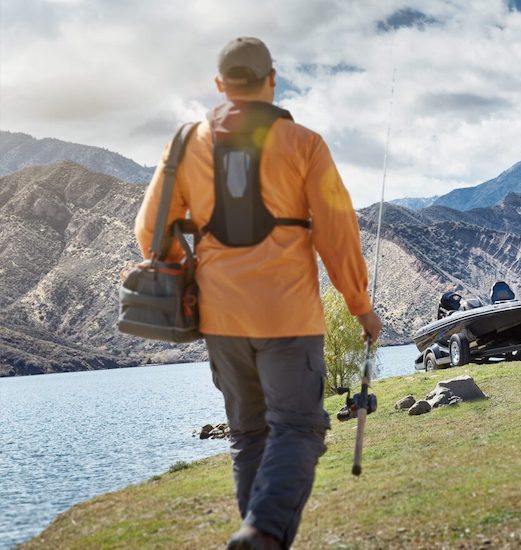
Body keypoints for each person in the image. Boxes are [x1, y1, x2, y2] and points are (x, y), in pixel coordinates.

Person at [134, 36, 382, 550]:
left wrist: (191, 274)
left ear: (221, 86)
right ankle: (263, 532)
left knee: (249, 437)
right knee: (299, 429)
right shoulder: (305, 144)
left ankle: (257, 535)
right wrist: (360, 306)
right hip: (287, 317)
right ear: (273, 80)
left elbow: (148, 233)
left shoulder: (186, 143)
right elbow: (337, 234)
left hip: (221, 322)